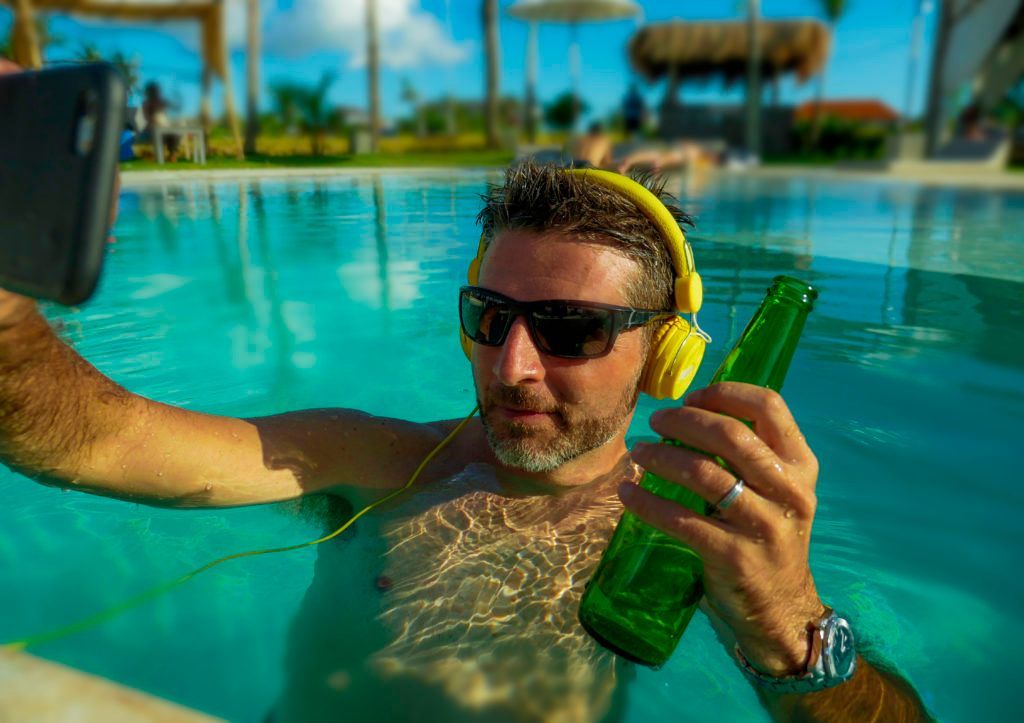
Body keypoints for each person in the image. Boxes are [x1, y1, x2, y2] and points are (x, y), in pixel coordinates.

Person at [0, 63, 930, 719]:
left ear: (663, 358)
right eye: (490, 316)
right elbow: (94, 441)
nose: (511, 365)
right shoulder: (377, 460)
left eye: (569, 329)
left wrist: (791, 623)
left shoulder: (685, 535)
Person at [140, 80, 181, 162]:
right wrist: (153, 120)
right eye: (154, 91)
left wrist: (176, 95)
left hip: (164, 127)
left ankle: (172, 154)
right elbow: (146, 117)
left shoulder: (162, 102)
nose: (156, 92)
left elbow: (176, 107)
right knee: (158, 134)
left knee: (176, 134)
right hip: (152, 129)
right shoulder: (146, 103)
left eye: (157, 90)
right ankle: (159, 155)